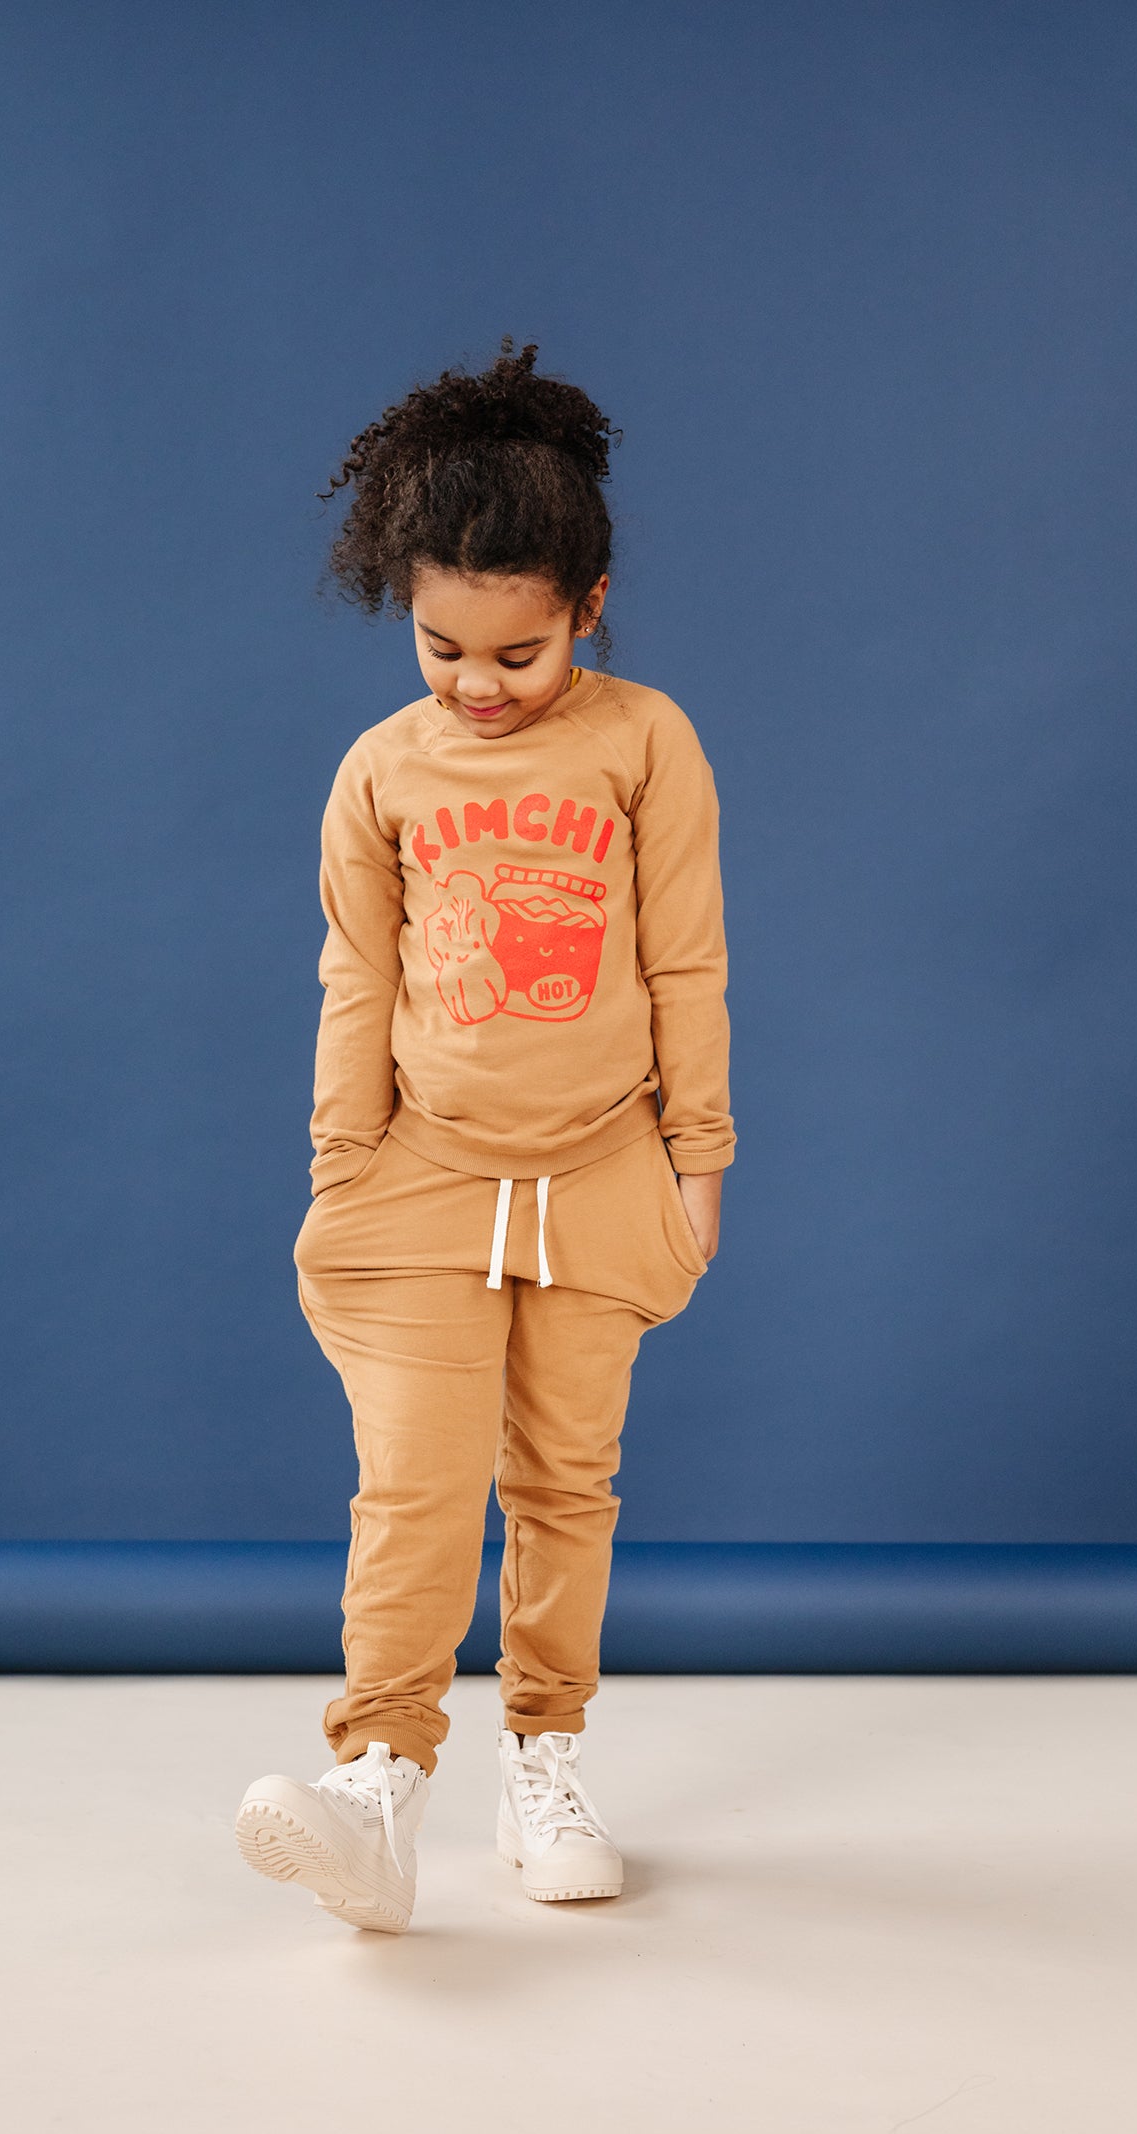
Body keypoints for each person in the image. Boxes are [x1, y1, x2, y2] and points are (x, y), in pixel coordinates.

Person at [234, 338, 734, 1934]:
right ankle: (379, 1784)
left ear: (589, 607)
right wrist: (342, 1169)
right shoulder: (380, 772)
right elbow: (358, 981)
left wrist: (699, 1158)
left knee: (567, 1477)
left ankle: (544, 1757)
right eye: (440, 646)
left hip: (602, 1164)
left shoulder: (646, 742)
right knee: (416, 1479)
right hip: (424, 1173)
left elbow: (685, 958)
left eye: (518, 652)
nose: (476, 684)